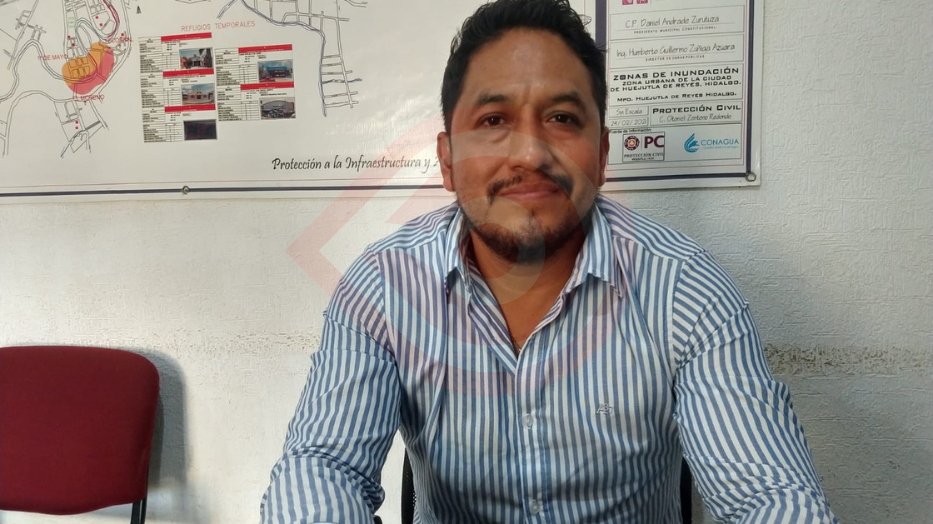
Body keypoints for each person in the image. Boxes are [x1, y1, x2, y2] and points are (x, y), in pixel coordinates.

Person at [261, 1, 837, 522]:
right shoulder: (383, 286)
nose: (531, 153)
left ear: (602, 154)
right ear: (447, 159)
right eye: (493, 120)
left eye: (562, 118)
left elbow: (767, 495)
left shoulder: (685, 288)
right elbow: (322, 466)